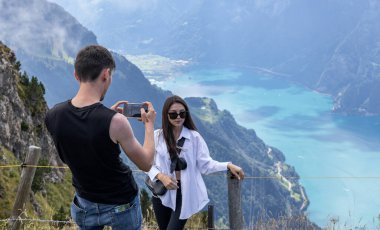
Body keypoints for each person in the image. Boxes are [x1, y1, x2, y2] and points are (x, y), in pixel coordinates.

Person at [45, 45, 156, 230]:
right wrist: (149, 125)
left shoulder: (53, 115)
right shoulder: (116, 122)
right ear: (106, 74)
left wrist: (104, 118)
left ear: (76, 75)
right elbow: (146, 163)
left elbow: (79, 142)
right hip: (121, 205)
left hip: (83, 203)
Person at [146, 95, 244, 230]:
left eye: (182, 113)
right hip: (161, 192)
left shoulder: (194, 137)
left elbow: (206, 165)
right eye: (173, 114)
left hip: (183, 193)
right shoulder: (157, 136)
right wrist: (162, 177)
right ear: (166, 115)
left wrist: (227, 165)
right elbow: (146, 163)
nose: (178, 117)